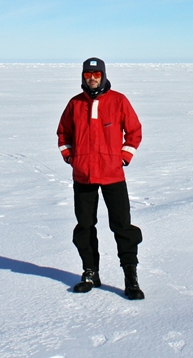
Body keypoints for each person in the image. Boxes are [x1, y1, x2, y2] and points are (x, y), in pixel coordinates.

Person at [57, 57, 145, 300]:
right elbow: (63, 133)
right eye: (88, 75)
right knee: (85, 226)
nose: (92, 78)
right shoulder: (75, 103)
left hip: (112, 174)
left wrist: (123, 156)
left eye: (96, 74)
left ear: (103, 76)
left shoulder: (118, 100)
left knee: (122, 226)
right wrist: (70, 156)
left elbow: (134, 131)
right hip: (83, 175)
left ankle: (130, 277)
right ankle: (90, 273)